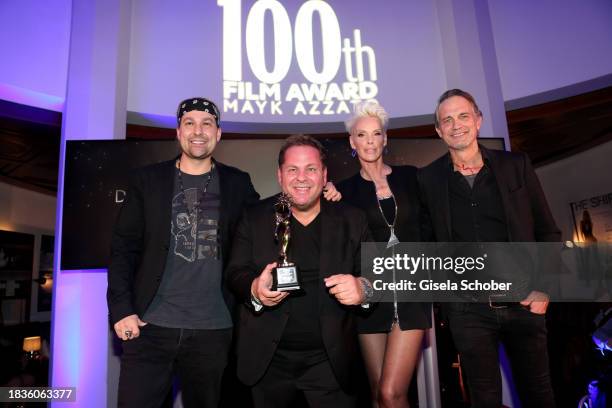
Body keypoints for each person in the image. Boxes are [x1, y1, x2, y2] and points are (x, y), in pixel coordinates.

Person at [106, 97, 261, 408]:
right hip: (149, 327)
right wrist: (122, 309)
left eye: (207, 123)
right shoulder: (146, 180)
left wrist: (319, 197)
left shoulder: (237, 183)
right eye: (189, 123)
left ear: (218, 134)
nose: (198, 130)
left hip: (214, 330)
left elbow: (265, 225)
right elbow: (123, 248)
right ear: (178, 132)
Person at [418, 89, 560, 407]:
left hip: (524, 304)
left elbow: (548, 230)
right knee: (483, 400)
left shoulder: (515, 165)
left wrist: (544, 287)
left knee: (539, 395)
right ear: (439, 131)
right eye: (448, 120)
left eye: (464, 116)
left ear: (478, 120)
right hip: (468, 312)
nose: (457, 125)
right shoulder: (428, 179)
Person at [227, 135, 373, 408]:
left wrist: (362, 288)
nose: (301, 177)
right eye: (293, 169)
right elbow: (235, 271)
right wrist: (255, 289)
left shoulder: (352, 219)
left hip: (331, 364)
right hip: (267, 363)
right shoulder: (254, 217)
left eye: (311, 169)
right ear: (280, 175)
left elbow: (376, 275)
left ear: (324, 174)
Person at [337, 100, 431, 408]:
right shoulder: (344, 191)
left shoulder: (410, 177)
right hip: (371, 297)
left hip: (410, 291)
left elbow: (430, 226)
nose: (369, 142)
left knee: (392, 393)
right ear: (352, 142)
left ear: (385, 138)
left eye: (375, 134)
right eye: (361, 135)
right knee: (379, 395)